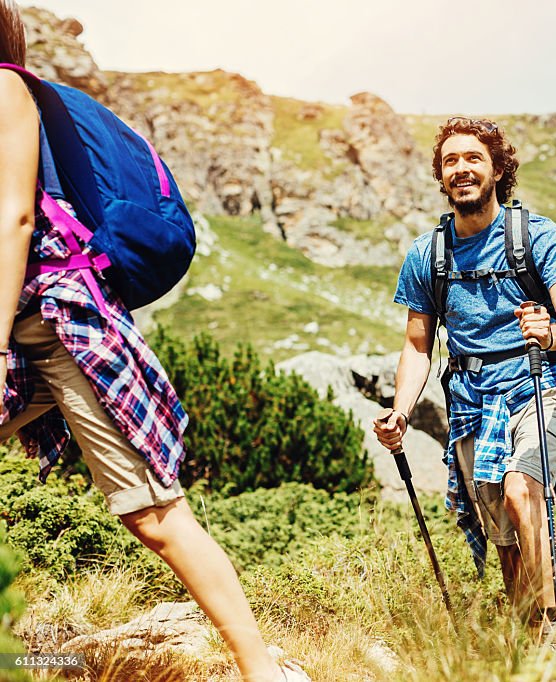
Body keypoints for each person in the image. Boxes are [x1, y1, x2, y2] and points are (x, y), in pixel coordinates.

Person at [0, 4, 306, 680]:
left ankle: (261, 669)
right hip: (23, 330)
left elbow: (16, 219)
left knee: (155, 513)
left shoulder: (4, 87)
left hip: (63, 326)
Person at [374, 117, 556, 634]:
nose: (461, 169)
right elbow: (418, 345)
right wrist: (401, 411)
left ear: (498, 169)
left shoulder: (537, 236)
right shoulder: (426, 255)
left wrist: (548, 334)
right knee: (500, 529)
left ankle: (551, 634)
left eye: (473, 158)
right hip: (470, 397)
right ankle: (524, 636)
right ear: (441, 176)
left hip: (540, 383)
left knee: (524, 490)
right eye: (450, 161)